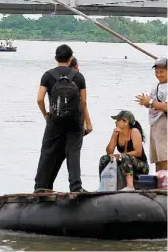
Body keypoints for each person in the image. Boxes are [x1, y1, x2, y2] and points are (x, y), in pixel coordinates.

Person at [34, 44, 93, 193]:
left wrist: (46, 115)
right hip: (75, 121)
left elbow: (40, 99)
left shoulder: (47, 75)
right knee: (73, 152)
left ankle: (40, 187)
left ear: (56, 58)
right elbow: (84, 102)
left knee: (47, 151)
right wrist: (87, 123)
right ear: (71, 58)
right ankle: (76, 187)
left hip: (55, 120)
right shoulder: (78, 76)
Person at [99, 110, 149, 191]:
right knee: (104, 159)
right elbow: (109, 152)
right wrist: (114, 136)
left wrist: (120, 155)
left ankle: (130, 186)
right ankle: (103, 186)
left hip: (141, 166)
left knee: (125, 156)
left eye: (118, 120)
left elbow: (138, 152)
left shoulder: (134, 131)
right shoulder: (117, 133)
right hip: (126, 162)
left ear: (125, 122)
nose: (115, 122)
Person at [135, 57, 167, 171]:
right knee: (157, 158)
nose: (158, 75)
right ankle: (160, 183)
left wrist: (150, 102)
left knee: (164, 157)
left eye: (162, 72)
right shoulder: (157, 85)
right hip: (154, 123)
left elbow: (166, 106)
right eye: (157, 72)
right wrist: (146, 103)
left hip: (164, 124)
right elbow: (153, 103)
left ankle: (166, 185)